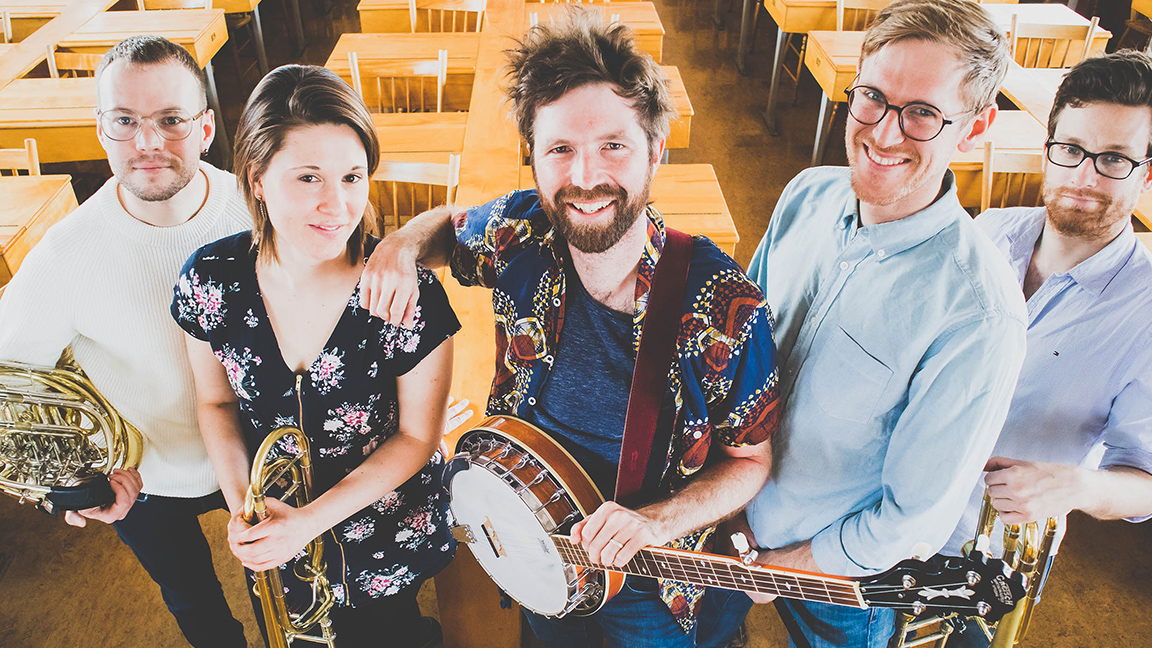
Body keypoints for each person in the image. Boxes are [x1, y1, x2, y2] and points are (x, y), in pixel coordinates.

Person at [360, 10, 780, 648]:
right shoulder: (522, 228)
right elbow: (452, 226)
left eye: (614, 145)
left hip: (649, 579)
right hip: (530, 531)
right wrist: (403, 240)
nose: (585, 178)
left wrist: (659, 521)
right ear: (533, 158)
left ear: (656, 151)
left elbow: (750, 460)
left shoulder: (724, 309)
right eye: (561, 150)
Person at [709, 1, 1029, 647]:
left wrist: (779, 570)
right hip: (719, 517)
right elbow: (737, 354)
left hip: (840, 580)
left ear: (975, 127)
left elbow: (912, 517)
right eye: (874, 98)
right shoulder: (806, 193)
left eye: (923, 114)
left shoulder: (979, 314)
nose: (885, 133)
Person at [172, 64, 458, 648]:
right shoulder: (210, 280)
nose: (337, 204)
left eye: (353, 177)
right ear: (255, 178)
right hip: (278, 533)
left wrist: (308, 522)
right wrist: (247, 512)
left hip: (384, 530)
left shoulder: (408, 292)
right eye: (308, 178)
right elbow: (215, 403)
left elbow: (417, 437)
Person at [0, 35, 252, 647]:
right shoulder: (63, 255)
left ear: (206, 127)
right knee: (193, 602)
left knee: (291, 585)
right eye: (125, 121)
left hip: (257, 454)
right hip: (143, 479)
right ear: (100, 129)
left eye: (171, 119)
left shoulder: (257, 207)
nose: (148, 143)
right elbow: (6, 386)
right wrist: (64, 487)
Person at [939, 50, 1152, 648]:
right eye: (1072, 150)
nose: (1085, 177)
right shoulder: (989, 230)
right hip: (897, 512)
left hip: (984, 555)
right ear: (1048, 145)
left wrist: (1079, 488)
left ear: (1147, 171)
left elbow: (1148, 478)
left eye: (1114, 159)